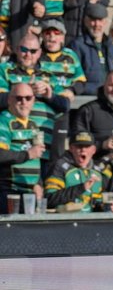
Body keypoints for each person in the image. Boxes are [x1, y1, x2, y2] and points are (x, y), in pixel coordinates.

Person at [0, 33, 70, 174]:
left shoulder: (48, 74)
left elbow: (65, 105)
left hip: (43, 145)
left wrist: (50, 95)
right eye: (24, 50)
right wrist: (26, 90)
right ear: (16, 49)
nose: (28, 55)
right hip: (15, 144)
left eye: (32, 51)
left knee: (39, 192)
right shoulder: (5, 70)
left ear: (39, 53)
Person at [39, 19, 87, 163]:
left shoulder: (70, 56)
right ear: (42, 35)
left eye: (56, 33)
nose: (52, 37)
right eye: (48, 33)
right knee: (39, 150)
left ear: (63, 37)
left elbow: (81, 81)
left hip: (61, 111)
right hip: (40, 110)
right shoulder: (36, 54)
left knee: (57, 152)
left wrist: (72, 90)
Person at [0, 83, 45, 214]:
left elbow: (36, 158)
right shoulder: (3, 121)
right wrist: (27, 154)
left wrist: (38, 183)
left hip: (29, 194)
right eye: (18, 98)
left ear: (33, 100)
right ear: (9, 99)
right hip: (8, 191)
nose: (23, 102)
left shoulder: (33, 124)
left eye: (28, 98)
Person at [44, 130, 103, 212]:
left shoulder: (97, 172)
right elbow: (50, 199)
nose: (83, 150)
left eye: (87, 146)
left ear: (93, 150)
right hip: (66, 222)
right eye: (79, 146)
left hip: (90, 222)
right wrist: (81, 188)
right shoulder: (59, 167)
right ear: (71, 148)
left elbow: (98, 204)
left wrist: (108, 206)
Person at [68, 3, 113, 95]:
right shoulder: (77, 45)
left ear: (105, 22)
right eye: (93, 20)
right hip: (86, 98)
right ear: (86, 21)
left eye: (100, 20)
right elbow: (75, 76)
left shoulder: (110, 45)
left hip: (109, 96)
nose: (97, 24)